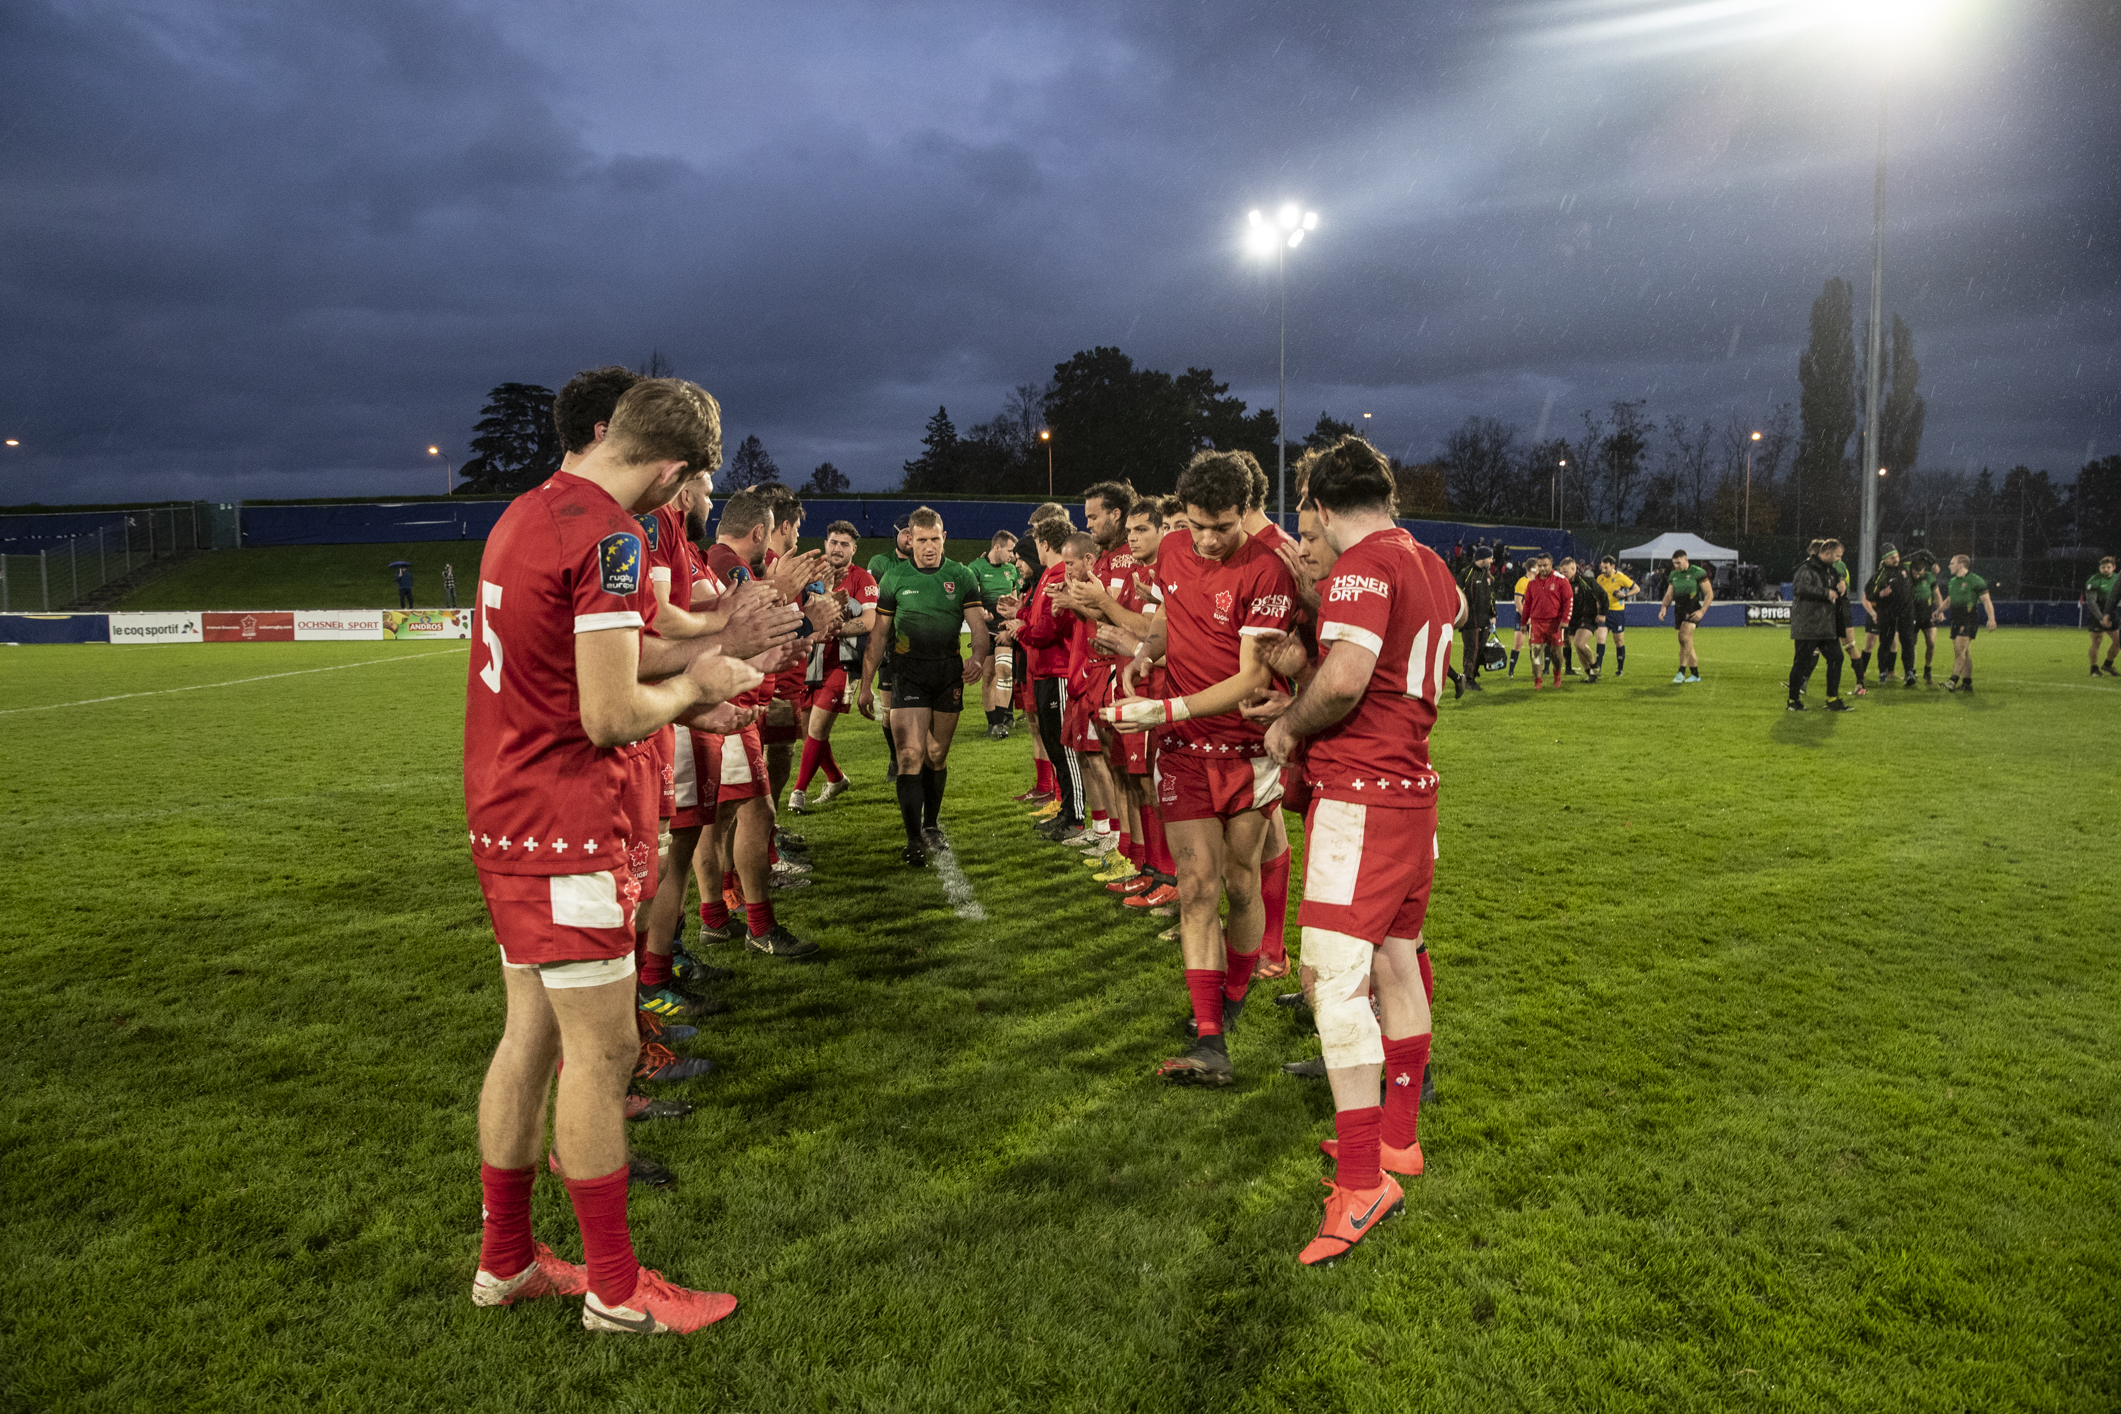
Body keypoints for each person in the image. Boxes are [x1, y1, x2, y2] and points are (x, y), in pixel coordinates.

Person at [465, 375, 754, 1334]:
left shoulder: (525, 511)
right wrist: (696, 688)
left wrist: (694, 674)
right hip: (568, 827)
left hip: (512, 816)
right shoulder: (609, 536)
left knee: (530, 1039)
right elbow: (610, 711)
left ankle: (506, 1261)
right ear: (672, 469)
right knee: (603, 1051)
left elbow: (573, 671)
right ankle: (618, 1292)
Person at [1241, 436, 1460, 1265]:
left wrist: (1286, 728)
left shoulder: (1363, 565)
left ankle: (1364, 1184)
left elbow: (1345, 680)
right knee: (1397, 962)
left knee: (1333, 984)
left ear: (1324, 507)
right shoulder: (1428, 562)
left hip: (1363, 796)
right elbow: (1434, 634)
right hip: (1411, 789)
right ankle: (1397, 1139)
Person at [1104, 451, 1298, 1087]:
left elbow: (1251, 678)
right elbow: (1169, 616)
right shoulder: (1171, 551)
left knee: (1241, 884)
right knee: (1196, 886)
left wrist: (1163, 707)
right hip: (1186, 750)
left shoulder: (1268, 569)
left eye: (1222, 526)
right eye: (1196, 525)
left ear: (1245, 512)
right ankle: (1210, 1038)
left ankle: (1234, 993)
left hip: (1246, 750)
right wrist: (1145, 651)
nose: (1208, 540)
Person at [704, 488, 822, 958]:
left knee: (713, 822)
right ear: (759, 532)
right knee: (755, 814)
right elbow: (749, 631)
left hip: (732, 703)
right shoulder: (728, 564)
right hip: (730, 707)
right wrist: (795, 606)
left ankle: (715, 918)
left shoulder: (719, 560)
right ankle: (758, 925)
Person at [859, 507, 992, 865]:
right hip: (908, 673)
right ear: (910, 539)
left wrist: (978, 657)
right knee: (909, 755)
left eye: (935, 539)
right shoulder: (894, 578)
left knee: (936, 755)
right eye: (921, 540)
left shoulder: (961, 576)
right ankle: (913, 839)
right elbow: (879, 635)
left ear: (943, 538)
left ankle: (931, 824)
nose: (929, 547)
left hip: (948, 675)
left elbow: (979, 628)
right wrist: (866, 684)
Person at [788, 521, 878, 811]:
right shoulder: (812, 574)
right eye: (833, 542)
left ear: (854, 549)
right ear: (825, 544)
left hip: (843, 662)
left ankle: (798, 792)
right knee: (808, 731)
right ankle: (836, 778)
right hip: (810, 660)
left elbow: (869, 621)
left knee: (817, 728)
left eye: (844, 544)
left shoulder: (863, 579)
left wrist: (836, 629)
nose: (838, 548)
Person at [1013, 515, 1089, 841]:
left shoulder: (1058, 575)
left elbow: (1047, 630)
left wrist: (1022, 630)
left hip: (1057, 670)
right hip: (1045, 670)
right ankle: (1066, 811)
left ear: (1044, 544)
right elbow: (1037, 619)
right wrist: (1021, 618)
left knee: (1064, 749)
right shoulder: (1049, 575)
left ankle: (1076, 817)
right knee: (1055, 746)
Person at [1786, 542, 1853, 712]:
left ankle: (1833, 699)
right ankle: (1793, 701)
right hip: (1808, 625)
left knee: (1837, 658)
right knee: (1801, 663)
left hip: (1826, 626)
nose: (1839, 560)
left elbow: (1836, 579)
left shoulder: (1831, 570)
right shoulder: (1806, 569)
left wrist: (1841, 582)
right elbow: (1799, 588)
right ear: (1827, 553)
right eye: (1837, 556)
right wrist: (1825, 593)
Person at [971, 530, 1026, 736]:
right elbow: (971, 598)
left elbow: (1015, 597)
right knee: (988, 675)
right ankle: (992, 723)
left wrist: (1014, 617)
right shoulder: (976, 568)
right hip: (985, 630)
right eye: (1009, 551)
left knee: (1004, 670)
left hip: (1004, 628)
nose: (1012, 556)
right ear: (997, 547)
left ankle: (1001, 721)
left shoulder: (1011, 570)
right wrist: (980, 613)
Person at [1856, 544, 1918, 689]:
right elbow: (1868, 593)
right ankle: (1883, 672)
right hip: (1887, 614)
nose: (1896, 559)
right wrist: (1880, 594)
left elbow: (1921, 557)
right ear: (1885, 560)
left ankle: (1909, 672)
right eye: (1892, 558)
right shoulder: (1880, 575)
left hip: (1906, 614)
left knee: (1908, 643)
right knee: (1885, 643)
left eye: (1897, 556)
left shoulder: (1905, 568)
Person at [1940, 554, 1997, 693]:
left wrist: (1991, 619)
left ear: (1961, 565)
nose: (1949, 566)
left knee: (1960, 651)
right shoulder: (1952, 581)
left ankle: (1952, 681)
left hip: (1968, 619)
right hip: (1955, 619)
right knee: (1964, 652)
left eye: (1952, 563)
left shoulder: (1975, 580)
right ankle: (1967, 683)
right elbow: (1950, 599)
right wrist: (1939, 610)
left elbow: (1986, 600)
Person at [1445, 546, 1494, 697]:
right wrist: (1459, 616)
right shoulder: (1466, 573)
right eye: (1490, 558)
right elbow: (1457, 595)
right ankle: (1468, 679)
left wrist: (1493, 614)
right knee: (1471, 649)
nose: (1492, 561)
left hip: (1484, 620)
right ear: (1483, 558)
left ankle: (1473, 672)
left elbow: (1491, 596)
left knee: (1480, 649)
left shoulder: (1488, 574)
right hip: (1470, 620)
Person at [1657, 550, 1712, 682]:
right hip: (1679, 610)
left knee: (1683, 637)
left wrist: (1702, 611)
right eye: (1674, 563)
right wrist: (1664, 607)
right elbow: (1669, 594)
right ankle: (1695, 674)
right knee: (1686, 642)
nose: (1676, 566)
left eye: (1678, 563)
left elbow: (1709, 593)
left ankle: (1681, 672)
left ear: (1686, 560)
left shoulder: (1697, 572)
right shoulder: (1674, 574)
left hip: (1692, 609)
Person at [1518, 554, 1571, 689]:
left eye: (1545, 565)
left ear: (1551, 564)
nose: (1542, 568)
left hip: (1554, 623)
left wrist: (1565, 619)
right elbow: (1527, 604)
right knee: (1535, 653)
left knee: (1555, 653)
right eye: (1540, 566)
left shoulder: (1561, 580)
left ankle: (1557, 675)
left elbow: (1568, 600)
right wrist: (1523, 622)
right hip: (1536, 623)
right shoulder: (1532, 583)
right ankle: (1538, 681)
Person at [1560, 556, 1602, 681]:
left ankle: (1594, 666)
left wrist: (1602, 613)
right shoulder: (1563, 584)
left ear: (1574, 569)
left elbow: (1603, 596)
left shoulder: (1586, 581)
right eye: (1561, 572)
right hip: (1573, 620)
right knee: (1578, 647)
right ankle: (1590, 674)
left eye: (1565, 571)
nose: (1563, 574)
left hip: (1587, 618)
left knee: (1580, 644)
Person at [1593, 555, 1636, 678]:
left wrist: (1625, 595)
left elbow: (1636, 588)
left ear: (1613, 566)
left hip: (1617, 613)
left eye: (1606, 568)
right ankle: (1597, 668)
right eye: (1602, 568)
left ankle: (1620, 669)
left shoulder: (1620, 577)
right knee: (1600, 638)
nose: (1603, 570)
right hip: (1603, 612)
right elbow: (1597, 594)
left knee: (1619, 641)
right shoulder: (1600, 578)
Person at [1906, 549, 1942, 684]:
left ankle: (1927, 670)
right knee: (1912, 644)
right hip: (1912, 615)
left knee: (1931, 643)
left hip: (1927, 615)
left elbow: (1937, 594)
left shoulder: (1929, 577)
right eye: (1915, 573)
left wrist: (1940, 610)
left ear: (1924, 570)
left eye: (1919, 573)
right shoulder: (1907, 578)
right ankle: (1912, 671)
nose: (1917, 576)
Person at [2084, 554, 2118, 676]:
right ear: (2099, 568)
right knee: (2097, 641)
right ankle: (2094, 668)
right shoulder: (2093, 580)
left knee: (2118, 641)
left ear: (2113, 567)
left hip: (2112, 612)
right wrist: (2101, 618)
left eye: (2108, 567)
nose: (2105, 570)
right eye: (2103, 567)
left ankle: (2107, 664)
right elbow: (2091, 603)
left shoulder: (2118, 578)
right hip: (2097, 613)